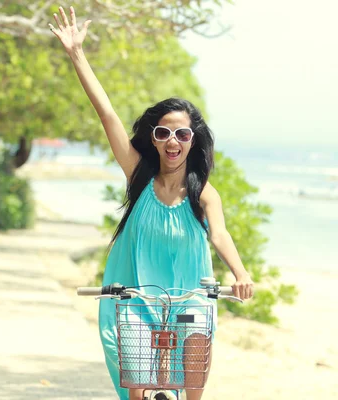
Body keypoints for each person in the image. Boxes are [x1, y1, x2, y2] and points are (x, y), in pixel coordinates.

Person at [49, 6, 254, 400]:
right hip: (137, 298)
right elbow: (106, 113)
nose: (173, 141)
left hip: (191, 297)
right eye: (164, 133)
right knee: (139, 384)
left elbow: (221, 234)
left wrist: (240, 274)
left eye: (181, 134)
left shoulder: (203, 192)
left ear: (193, 140)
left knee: (194, 370)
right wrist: (77, 54)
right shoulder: (138, 175)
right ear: (154, 138)